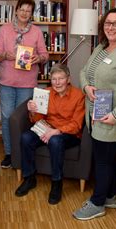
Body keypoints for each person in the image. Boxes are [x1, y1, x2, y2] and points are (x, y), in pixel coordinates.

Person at [73, 8, 116, 220]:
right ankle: (111, 196)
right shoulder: (102, 47)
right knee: (108, 158)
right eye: (107, 23)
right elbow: (83, 72)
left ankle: (97, 203)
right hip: (95, 114)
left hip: (112, 117)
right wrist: (86, 87)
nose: (110, 27)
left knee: (103, 160)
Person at [14, 63, 85, 205]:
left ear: (68, 79)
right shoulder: (45, 93)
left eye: (61, 78)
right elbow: (38, 119)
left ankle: (56, 183)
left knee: (55, 141)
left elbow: (76, 125)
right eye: (54, 79)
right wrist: (33, 112)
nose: (57, 83)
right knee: (26, 137)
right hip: (48, 128)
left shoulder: (78, 96)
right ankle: (29, 178)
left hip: (68, 133)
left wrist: (57, 131)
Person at [0, 0, 49, 168]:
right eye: (22, 9)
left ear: (31, 14)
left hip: (27, 84)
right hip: (7, 82)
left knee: (23, 119)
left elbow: (45, 55)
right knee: (7, 118)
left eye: (28, 11)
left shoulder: (37, 32)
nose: (25, 13)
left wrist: (37, 58)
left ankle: (22, 152)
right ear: (16, 11)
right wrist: (5, 56)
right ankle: (10, 153)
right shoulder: (4, 29)